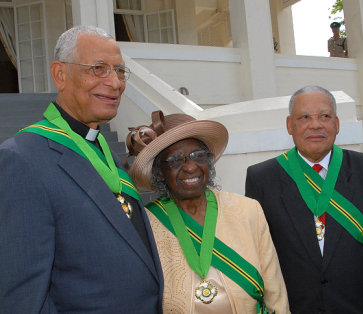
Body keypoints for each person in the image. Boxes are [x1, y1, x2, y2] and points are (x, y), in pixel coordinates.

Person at [0, 25, 163, 313]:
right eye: (99, 68)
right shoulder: (22, 159)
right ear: (60, 75)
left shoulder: (104, 154)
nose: (115, 83)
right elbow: (22, 297)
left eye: (120, 71)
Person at [125, 111, 290, 313]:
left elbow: (276, 294)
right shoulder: (146, 224)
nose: (190, 167)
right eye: (175, 160)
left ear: (208, 161)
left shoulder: (248, 210)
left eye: (197, 156)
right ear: (160, 172)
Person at [246, 85, 363, 313]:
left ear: (337, 124)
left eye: (325, 116)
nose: (316, 124)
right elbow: (257, 254)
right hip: (294, 307)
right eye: (304, 117)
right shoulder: (262, 178)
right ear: (289, 125)